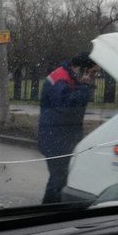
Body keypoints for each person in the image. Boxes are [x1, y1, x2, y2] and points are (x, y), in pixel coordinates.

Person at [37, 52, 100, 204]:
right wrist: (84, 87)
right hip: (54, 138)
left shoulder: (70, 78)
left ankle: (56, 210)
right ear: (82, 69)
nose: (94, 76)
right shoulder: (61, 79)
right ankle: (48, 213)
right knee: (58, 179)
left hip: (61, 136)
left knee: (63, 178)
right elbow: (66, 107)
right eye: (93, 72)